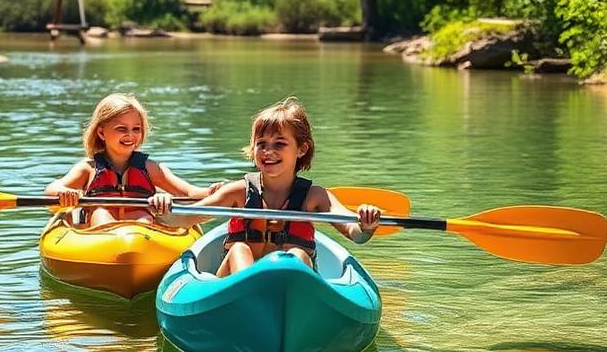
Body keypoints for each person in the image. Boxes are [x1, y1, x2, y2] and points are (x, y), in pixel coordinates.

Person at [149, 96, 381, 276]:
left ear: (302, 149)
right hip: (234, 289)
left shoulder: (315, 197)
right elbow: (184, 219)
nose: (268, 152)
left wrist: (366, 225)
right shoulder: (238, 191)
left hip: (290, 291)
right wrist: (162, 208)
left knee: (297, 255)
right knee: (239, 249)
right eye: (261, 144)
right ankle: (250, 297)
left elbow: (356, 234)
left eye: (279, 143)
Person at [45, 93, 220, 226]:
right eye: (121, 129)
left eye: (136, 129)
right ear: (101, 132)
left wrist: (214, 191)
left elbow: (188, 193)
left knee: (142, 217)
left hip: (140, 234)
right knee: (101, 213)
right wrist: (66, 193)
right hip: (99, 233)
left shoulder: (151, 168)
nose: (130, 135)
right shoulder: (87, 169)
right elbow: (52, 189)